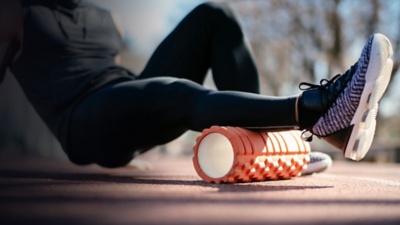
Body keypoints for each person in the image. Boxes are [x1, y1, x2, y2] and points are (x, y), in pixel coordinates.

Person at [0, 0, 393, 169]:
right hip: (82, 121)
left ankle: (264, 149)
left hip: (123, 98)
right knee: (170, 92)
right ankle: (316, 110)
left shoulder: (102, 15)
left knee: (213, 14)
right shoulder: (15, 12)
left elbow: (120, 82)